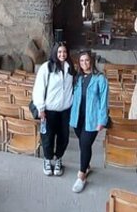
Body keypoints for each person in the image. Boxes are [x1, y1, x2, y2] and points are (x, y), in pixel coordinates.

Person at [32, 42, 75, 176]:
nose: (62, 54)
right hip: (49, 110)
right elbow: (39, 88)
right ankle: (47, 159)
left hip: (65, 110)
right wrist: (41, 108)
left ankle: (58, 159)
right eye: (59, 52)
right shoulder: (47, 67)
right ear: (55, 53)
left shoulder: (70, 68)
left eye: (64, 52)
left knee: (63, 137)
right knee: (48, 137)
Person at [68, 50, 108, 193]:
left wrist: (102, 120)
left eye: (87, 60)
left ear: (91, 61)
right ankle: (87, 165)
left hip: (92, 119)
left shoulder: (100, 78)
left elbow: (104, 101)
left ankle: (81, 175)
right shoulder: (78, 78)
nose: (84, 63)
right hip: (78, 118)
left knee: (85, 144)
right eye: (82, 61)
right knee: (83, 144)